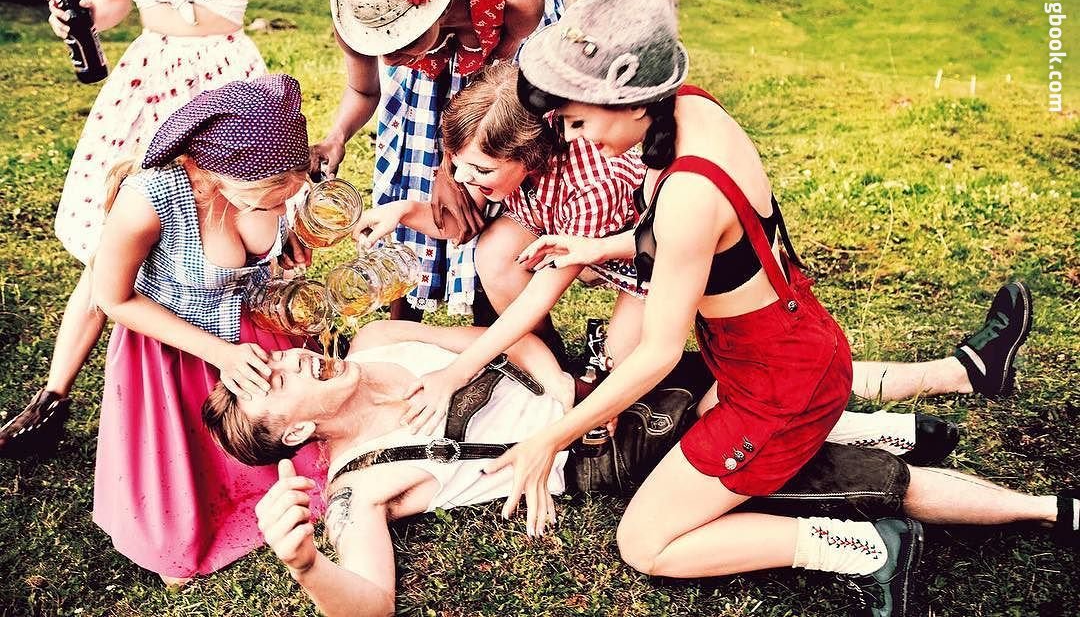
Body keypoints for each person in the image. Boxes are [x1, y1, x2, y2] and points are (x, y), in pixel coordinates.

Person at [446, 0, 1032, 617]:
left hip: (774, 384)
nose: (577, 138)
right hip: (781, 345)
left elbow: (658, 352)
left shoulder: (687, 193)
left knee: (644, 542)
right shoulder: (691, 111)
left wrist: (549, 439)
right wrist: (600, 247)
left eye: (580, 121)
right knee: (687, 429)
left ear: (628, 99)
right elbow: (711, 244)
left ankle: (870, 549)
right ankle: (887, 430)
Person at [356, 63, 1032, 461]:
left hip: (661, 272)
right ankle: (578, 378)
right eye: (460, 167)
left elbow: (543, 293)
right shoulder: (525, 166)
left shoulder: (592, 183)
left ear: (529, 156)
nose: (465, 182)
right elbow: (486, 229)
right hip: (627, 256)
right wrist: (406, 211)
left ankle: (931, 394)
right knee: (649, 378)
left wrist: (458, 371)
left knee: (714, 387)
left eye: (478, 171)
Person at [201, 323, 1079, 617]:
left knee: (777, 383)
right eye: (275, 383)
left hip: (611, 386)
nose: (292, 359)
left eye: (272, 358)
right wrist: (307, 564)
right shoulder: (357, 484)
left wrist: (558, 390)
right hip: (623, 451)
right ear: (294, 434)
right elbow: (373, 604)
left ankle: (924, 399)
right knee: (837, 472)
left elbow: (507, 337)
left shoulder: (375, 339)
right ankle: (1043, 506)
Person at [0, 0, 359, 459]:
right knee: (117, 240)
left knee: (251, 227)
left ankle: (265, 381)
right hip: (150, 74)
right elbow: (116, 1)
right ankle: (52, 397)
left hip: (224, 77)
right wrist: (83, 17)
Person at [89, 74, 325, 583]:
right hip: (175, 351)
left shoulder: (266, 181)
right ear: (216, 173)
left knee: (310, 471)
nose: (281, 205)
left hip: (258, 333)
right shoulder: (149, 202)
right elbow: (112, 298)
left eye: (288, 193)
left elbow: (268, 225)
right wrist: (221, 354)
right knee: (184, 517)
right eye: (270, 199)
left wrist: (283, 244)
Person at [314, 0, 565, 319]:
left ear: (440, 7)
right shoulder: (362, 13)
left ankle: (493, 306)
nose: (390, 59)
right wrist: (336, 136)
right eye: (381, 44)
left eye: (403, 41)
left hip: (500, 71)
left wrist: (450, 168)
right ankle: (403, 305)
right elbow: (363, 91)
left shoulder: (518, 1)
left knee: (492, 162)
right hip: (451, 42)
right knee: (411, 156)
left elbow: (491, 97)